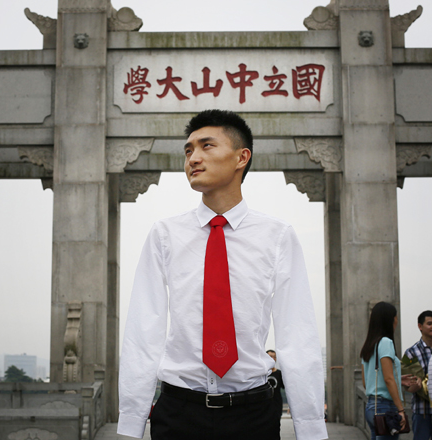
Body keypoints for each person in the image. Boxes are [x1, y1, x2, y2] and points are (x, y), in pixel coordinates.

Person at [117, 109, 326, 440]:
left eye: (207, 146)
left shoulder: (277, 236)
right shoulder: (165, 235)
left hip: (253, 415)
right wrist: (132, 418)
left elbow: (297, 333)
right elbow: (144, 328)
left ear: (242, 157)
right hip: (178, 413)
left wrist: (311, 426)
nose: (193, 158)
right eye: (188, 150)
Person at [360, 301, 406, 440]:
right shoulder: (385, 342)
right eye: (396, 316)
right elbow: (388, 379)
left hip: (371, 406)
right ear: (390, 319)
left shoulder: (368, 345)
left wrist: (399, 380)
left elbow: (366, 383)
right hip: (385, 408)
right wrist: (401, 409)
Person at [403, 310, 432, 440]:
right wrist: (415, 385)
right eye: (429, 323)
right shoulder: (410, 353)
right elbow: (407, 385)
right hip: (421, 410)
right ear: (420, 326)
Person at [266, 350, 286, 426]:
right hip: (264, 404)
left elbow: (286, 388)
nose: (273, 359)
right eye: (270, 356)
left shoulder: (279, 373)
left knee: (276, 425)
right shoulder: (262, 374)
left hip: (276, 404)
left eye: (274, 357)